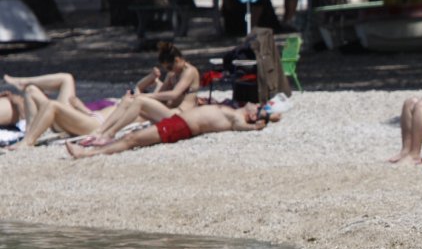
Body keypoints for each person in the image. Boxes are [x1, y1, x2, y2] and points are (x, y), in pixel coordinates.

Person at [65, 103, 278, 159]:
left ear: (252, 115)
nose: (255, 104)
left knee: (132, 139)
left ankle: (87, 153)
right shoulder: (234, 109)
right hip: (178, 122)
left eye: (257, 108)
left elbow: (242, 127)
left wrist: (256, 125)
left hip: (180, 127)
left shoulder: (238, 117)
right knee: (131, 138)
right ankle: (101, 143)